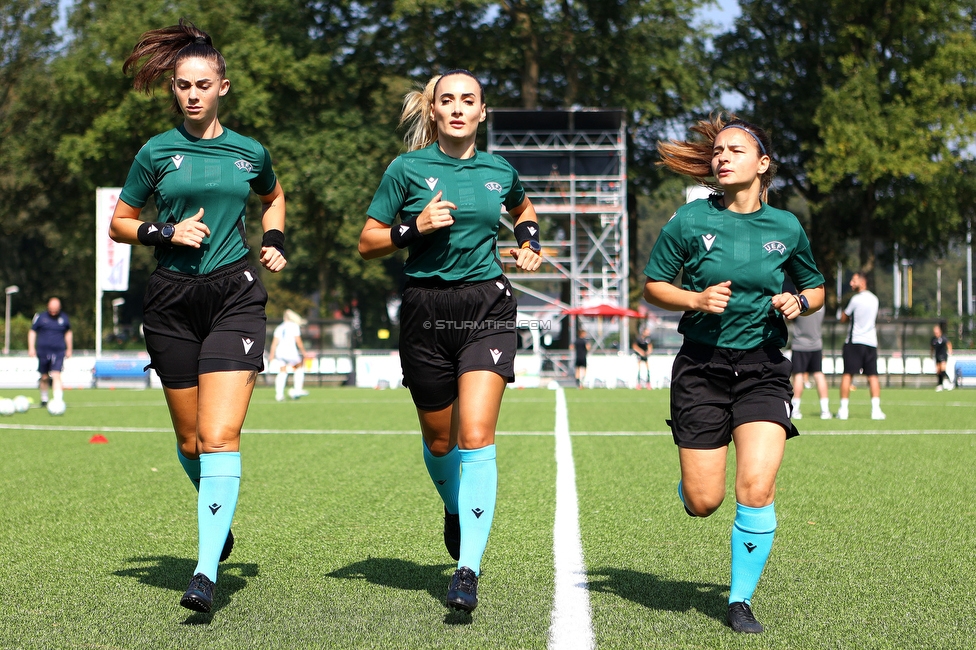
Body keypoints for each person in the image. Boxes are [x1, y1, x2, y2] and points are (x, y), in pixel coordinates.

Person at [108, 19, 287, 614]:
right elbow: (121, 222)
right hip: (170, 301)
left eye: (202, 84)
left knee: (219, 435)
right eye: (182, 84)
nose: (191, 93)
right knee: (189, 440)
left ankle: (205, 572)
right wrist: (165, 231)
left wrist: (275, 235)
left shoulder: (248, 152)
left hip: (234, 295)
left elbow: (273, 195)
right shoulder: (155, 152)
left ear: (222, 88)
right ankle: (221, 516)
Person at [358, 70, 542, 614]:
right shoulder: (406, 169)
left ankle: (468, 570)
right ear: (433, 111)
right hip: (425, 310)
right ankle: (455, 508)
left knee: (479, 433)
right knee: (442, 441)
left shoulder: (498, 169)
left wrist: (528, 241)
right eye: (447, 101)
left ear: (482, 112)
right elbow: (368, 243)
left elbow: (523, 211)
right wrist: (415, 227)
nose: (458, 108)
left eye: (468, 100)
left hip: (487, 305)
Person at [644, 113, 825, 634]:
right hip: (701, 366)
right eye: (717, 151)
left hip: (764, 368)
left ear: (762, 164)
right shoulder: (690, 221)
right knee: (704, 502)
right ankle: (691, 483)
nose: (721, 157)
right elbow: (655, 285)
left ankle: (740, 600)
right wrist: (695, 299)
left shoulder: (786, 226)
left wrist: (797, 300)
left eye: (734, 151)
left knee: (757, 486)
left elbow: (815, 289)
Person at [837, 273, 885, 420]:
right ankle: (876, 410)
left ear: (862, 282)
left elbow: (843, 318)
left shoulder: (855, 299)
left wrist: (844, 315)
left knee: (847, 375)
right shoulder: (875, 299)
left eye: (854, 280)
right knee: (872, 376)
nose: (851, 283)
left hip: (854, 342)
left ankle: (843, 410)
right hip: (871, 342)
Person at [28, 297, 72, 406]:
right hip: (43, 351)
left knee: (56, 374)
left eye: (56, 310)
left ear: (59, 308)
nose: (53, 312)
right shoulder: (40, 317)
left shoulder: (64, 318)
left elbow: (68, 333)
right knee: (44, 376)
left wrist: (69, 348)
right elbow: (32, 332)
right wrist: (31, 347)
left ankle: (58, 400)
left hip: (58, 351)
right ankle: (44, 399)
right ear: (48, 306)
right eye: (52, 309)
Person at [789, 305, 832, 419]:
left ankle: (796, 409)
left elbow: (788, 318)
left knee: (798, 376)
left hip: (799, 345)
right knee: (818, 374)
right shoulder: (820, 305)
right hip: (816, 344)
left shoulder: (799, 303)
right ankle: (825, 410)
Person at [269, 309, 309, 401]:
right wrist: (304, 352)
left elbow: (274, 343)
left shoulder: (279, 327)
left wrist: (272, 354)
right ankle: (297, 390)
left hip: (280, 352)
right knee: (299, 368)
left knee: (282, 371)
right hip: (290, 352)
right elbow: (298, 341)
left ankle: (279, 395)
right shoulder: (294, 326)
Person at [931, 324, 953, 391]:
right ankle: (940, 384)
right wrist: (931, 354)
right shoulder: (933, 339)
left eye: (937, 332)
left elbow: (948, 344)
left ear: (939, 331)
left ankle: (949, 382)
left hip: (943, 355)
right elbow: (932, 347)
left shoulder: (943, 338)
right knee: (938, 371)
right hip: (937, 356)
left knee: (943, 369)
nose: (936, 333)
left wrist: (950, 350)